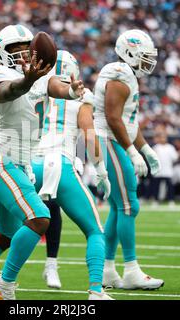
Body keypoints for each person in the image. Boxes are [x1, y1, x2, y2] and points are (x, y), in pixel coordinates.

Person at [0, 24, 84, 300]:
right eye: (14, 48)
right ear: (1, 51)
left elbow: (54, 85)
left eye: (26, 47)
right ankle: (5, 282)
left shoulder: (40, 76)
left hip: (19, 164)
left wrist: (70, 90)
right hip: (0, 161)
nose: (22, 52)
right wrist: (28, 80)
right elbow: (6, 92)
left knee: (4, 235)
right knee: (40, 218)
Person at [32, 50, 113, 300]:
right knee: (95, 231)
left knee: (14, 229)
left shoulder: (34, 88)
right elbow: (89, 134)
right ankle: (96, 291)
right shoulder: (81, 96)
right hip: (59, 164)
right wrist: (100, 169)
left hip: (29, 164)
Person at [94, 29, 164, 290]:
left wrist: (145, 148)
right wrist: (132, 152)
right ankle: (131, 270)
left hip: (111, 140)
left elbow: (128, 122)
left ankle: (107, 270)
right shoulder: (119, 73)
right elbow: (113, 118)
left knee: (118, 207)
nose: (148, 61)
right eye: (143, 56)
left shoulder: (127, 74)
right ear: (129, 52)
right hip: (107, 140)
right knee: (128, 205)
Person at [0, 94, 63, 294]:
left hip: (25, 160)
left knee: (7, 233)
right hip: (2, 161)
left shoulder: (41, 86)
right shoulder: (6, 81)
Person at [152, 132, 179, 206]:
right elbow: (152, 159)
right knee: (156, 186)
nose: (163, 139)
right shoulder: (156, 147)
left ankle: (171, 200)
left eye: (164, 137)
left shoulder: (170, 147)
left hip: (168, 170)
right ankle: (156, 201)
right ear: (159, 138)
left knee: (170, 186)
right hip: (158, 171)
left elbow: (175, 158)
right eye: (161, 137)